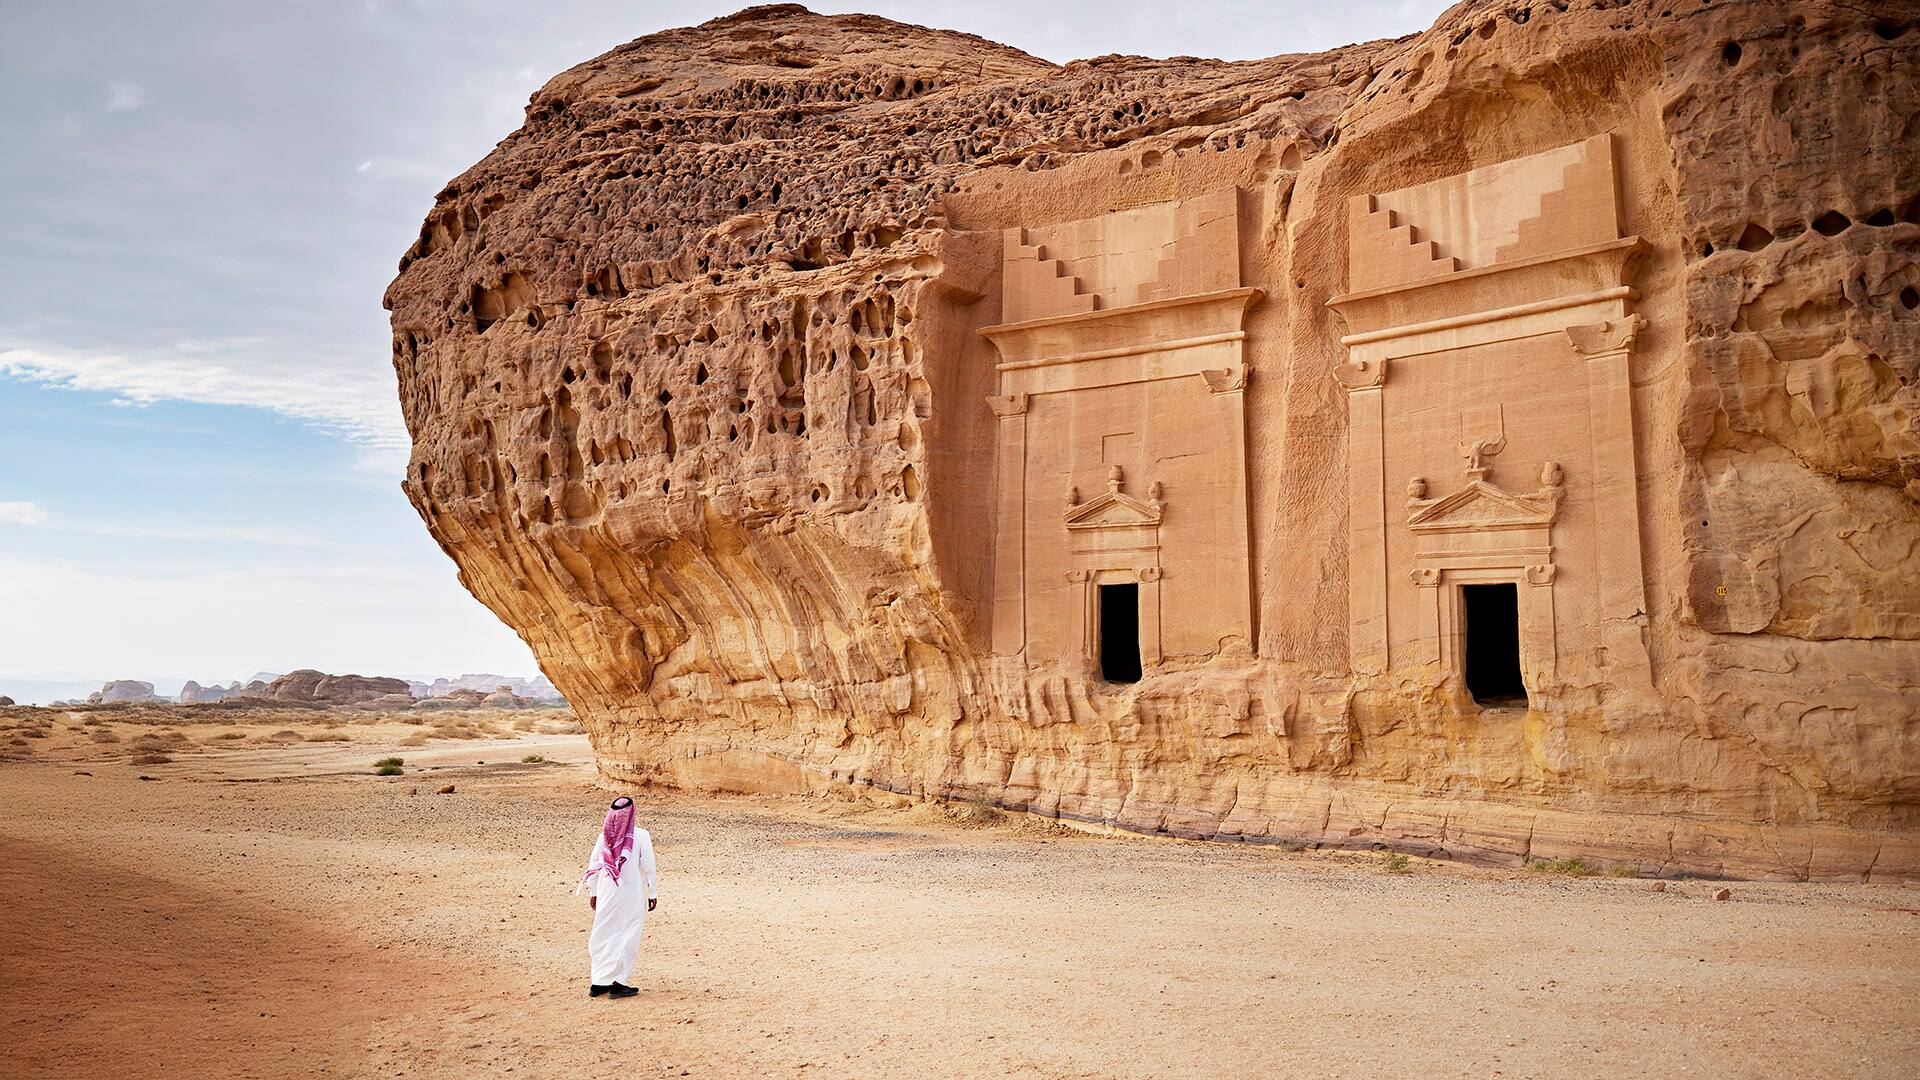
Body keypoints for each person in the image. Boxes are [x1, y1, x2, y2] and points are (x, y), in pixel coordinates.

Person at [575, 795, 657, 998]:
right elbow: (648, 866)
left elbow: (593, 865)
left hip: (606, 891)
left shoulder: (605, 837)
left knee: (603, 932)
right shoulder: (641, 835)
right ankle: (617, 983)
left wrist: (593, 892)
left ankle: (598, 982)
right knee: (628, 933)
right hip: (629, 893)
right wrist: (652, 892)